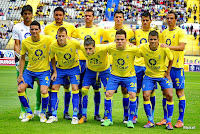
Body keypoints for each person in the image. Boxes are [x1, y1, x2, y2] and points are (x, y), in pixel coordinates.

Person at [101, 29, 141, 128]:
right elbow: (98, 48)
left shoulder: (133, 49)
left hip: (130, 76)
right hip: (115, 75)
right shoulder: (111, 47)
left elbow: (143, 53)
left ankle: (130, 120)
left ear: (126, 40)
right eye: (118, 39)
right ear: (115, 40)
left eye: (122, 39)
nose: (119, 41)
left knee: (132, 94)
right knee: (108, 93)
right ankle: (108, 119)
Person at [102, 10, 135, 123]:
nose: (118, 19)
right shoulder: (107, 32)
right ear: (114, 18)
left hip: (126, 67)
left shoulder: (130, 32)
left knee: (126, 91)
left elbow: (134, 47)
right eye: (116, 17)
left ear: (123, 18)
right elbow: (103, 47)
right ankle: (107, 117)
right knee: (108, 92)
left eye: (120, 17)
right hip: (112, 66)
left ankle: (127, 117)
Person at [17, 20, 53, 122]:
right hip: (30, 70)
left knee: (44, 91)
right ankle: (29, 113)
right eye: (32, 29)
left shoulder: (47, 39)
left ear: (40, 30)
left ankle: (43, 113)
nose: (34, 31)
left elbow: (58, 43)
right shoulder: (25, 42)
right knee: (20, 89)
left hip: (44, 71)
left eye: (36, 29)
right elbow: (22, 58)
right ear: (30, 30)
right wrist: (20, 74)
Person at [72, 9, 104, 121]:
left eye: (89, 16)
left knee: (97, 88)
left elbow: (107, 42)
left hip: (95, 63)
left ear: (93, 17)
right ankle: (81, 113)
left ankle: (97, 113)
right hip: (81, 62)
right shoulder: (78, 30)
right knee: (82, 88)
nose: (87, 18)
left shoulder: (99, 29)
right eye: (85, 16)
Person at [44, 6, 76, 120]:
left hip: (67, 63)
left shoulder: (70, 27)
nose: (58, 17)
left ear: (64, 16)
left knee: (67, 86)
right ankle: (50, 110)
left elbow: (75, 42)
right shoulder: (47, 28)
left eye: (60, 15)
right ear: (53, 15)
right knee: (50, 86)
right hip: (53, 62)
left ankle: (66, 112)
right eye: (56, 15)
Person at [139, 30, 174, 130]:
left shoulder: (164, 48)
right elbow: (135, 50)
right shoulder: (143, 47)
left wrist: (168, 72)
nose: (153, 41)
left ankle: (169, 121)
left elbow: (171, 58)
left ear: (158, 40)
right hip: (149, 75)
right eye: (151, 39)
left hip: (162, 75)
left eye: (155, 39)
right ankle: (150, 120)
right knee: (146, 96)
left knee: (170, 95)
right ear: (148, 40)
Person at [158, 11, 187, 128]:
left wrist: (167, 46)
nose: (169, 20)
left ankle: (180, 119)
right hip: (165, 68)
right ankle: (165, 118)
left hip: (177, 67)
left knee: (179, 93)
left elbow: (181, 47)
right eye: (167, 18)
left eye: (171, 18)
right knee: (166, 93)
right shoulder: (164, 33)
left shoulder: (181, 32)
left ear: (176, 19)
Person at [46, 27, 81, 124]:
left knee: (74, 88)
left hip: (73, 68)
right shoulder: (53, 45)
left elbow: (83, 45)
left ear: (67, 36)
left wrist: (80, 40)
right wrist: (55, 71)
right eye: (59, 36)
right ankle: (54, 115)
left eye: (63, 36)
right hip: (60, 68)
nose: (61, 38)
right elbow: (52, 58)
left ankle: (74, 116)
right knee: (54, 87)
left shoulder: (73, 42)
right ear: (57, 36)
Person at [12, 5, 41, 120]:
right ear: (22, 15)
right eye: (25, 14)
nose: (27, 15)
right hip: (23, 61)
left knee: (40, 84)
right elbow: (17, 44)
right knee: (21, 84)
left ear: (32, 14)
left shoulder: (38, 26)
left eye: (29, 13)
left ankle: (38, 108)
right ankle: (23, 110)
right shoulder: (17, 27)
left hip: (36, 62)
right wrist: (19, 58)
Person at [133, 11, 161, 124]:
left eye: (147, 20)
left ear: (150, 20)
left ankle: (152, 114)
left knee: (151, 91)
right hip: (138, 65)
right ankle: (135, 115)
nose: (145, 22)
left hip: (150, 67)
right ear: (141, 20)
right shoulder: (136, 32)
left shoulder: (156, 33)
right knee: (136, 91)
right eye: (143, 20)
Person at [77, 38, 110, 123]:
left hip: (104, 70)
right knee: (84, 90)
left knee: (108, 92)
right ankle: (84, 116)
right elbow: (75, 41)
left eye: (90, 49)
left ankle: (106, 116)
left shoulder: (103, 48)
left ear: (94, 47)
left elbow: (114, 44)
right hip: (90, 70)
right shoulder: (81, 46)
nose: (87, 51)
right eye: (86, 49)